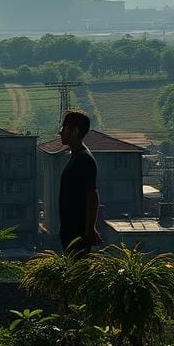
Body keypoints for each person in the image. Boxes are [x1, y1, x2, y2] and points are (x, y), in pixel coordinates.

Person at [58, 109, 102, 255]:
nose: (60, 132)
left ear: (75, 131)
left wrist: (89, 229)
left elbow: (92, 195)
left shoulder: (84, 159)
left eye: (64, 128)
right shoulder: (76, 157)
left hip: (77, 233)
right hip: (71, 230)